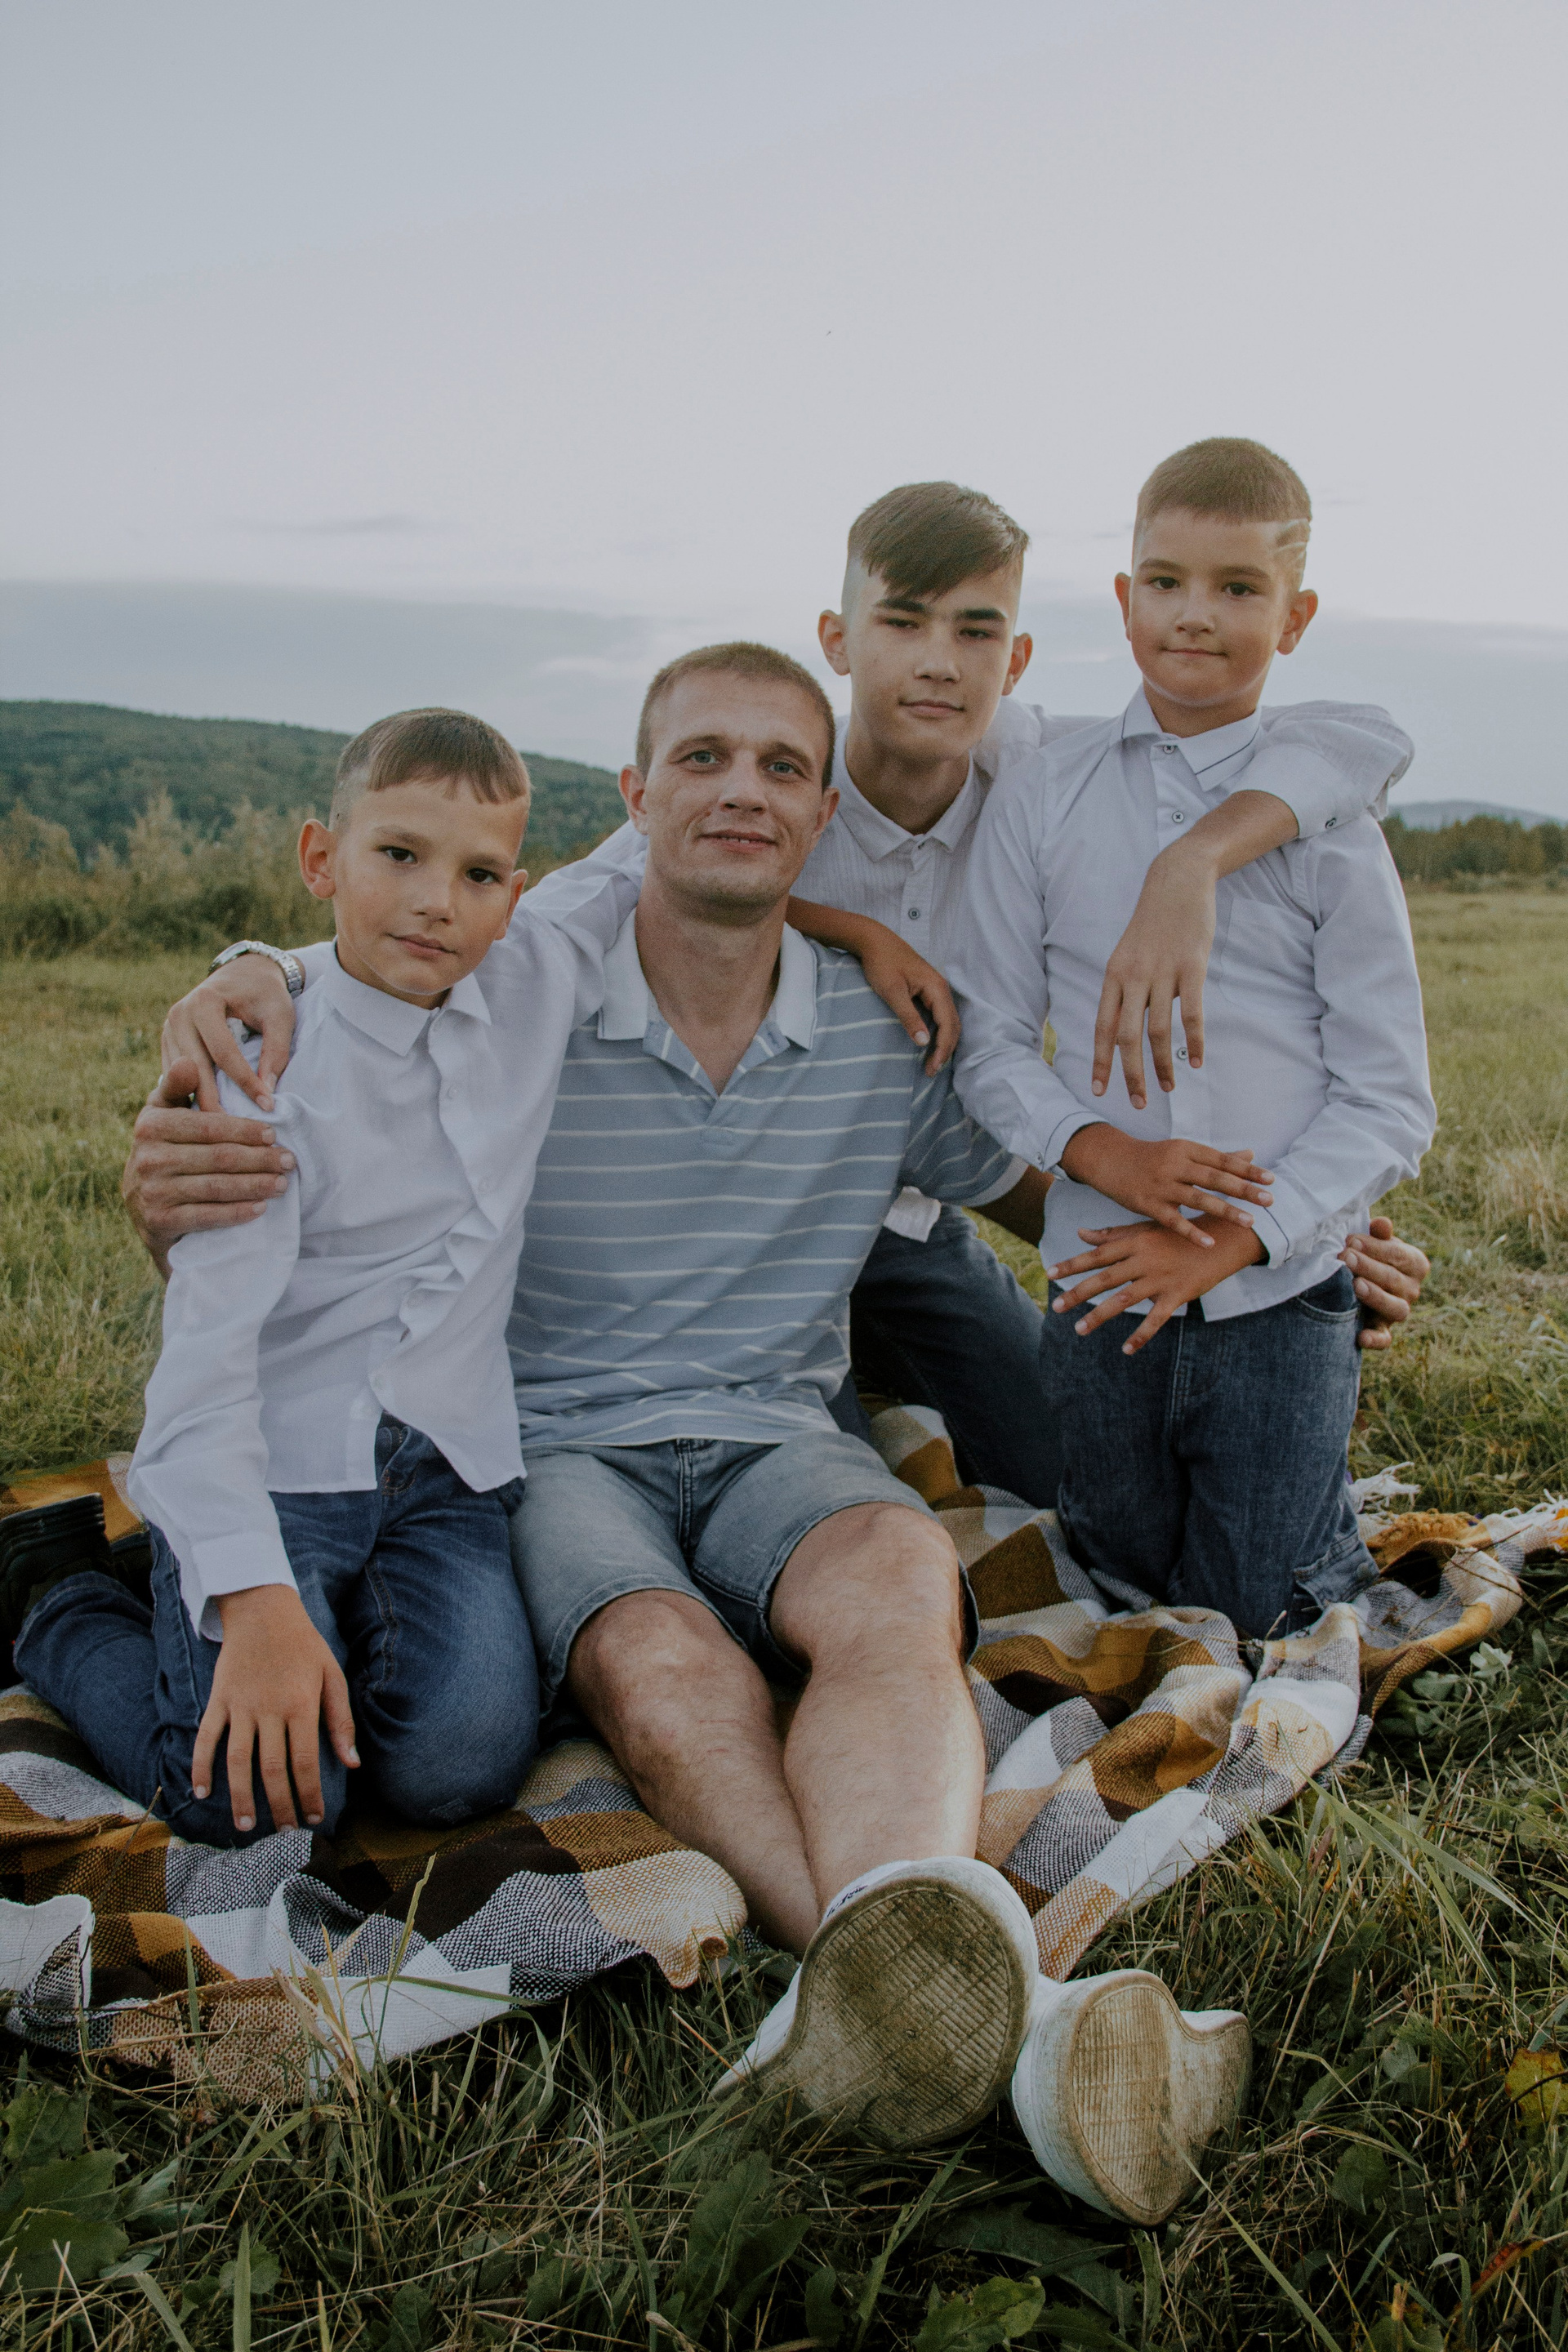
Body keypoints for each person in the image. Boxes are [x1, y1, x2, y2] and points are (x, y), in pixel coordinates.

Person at [124, 644, 1252, 2219]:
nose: (743, 791)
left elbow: (1036, 1193)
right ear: (635, 798)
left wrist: (1285, 1247)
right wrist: (244, 968)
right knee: (655, 1663)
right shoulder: (524, 995)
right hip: (557, 1447)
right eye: (703, 759)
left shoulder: (884, 1027)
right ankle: (964, 1988)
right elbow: (364, 973)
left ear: (823, 815)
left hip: (779, 1430)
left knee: (898, 1583)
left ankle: (893, 1978)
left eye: (784, 768)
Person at [510, 479, 1432, 1499]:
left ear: (1017, 657)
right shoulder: (762, 789)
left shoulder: (1043, 774)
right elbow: (573, 911)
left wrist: (1287, 1251)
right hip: (737, 1231)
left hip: (910, 1220)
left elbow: (1363, 743)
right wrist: (847, 925)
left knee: (1065, 1469)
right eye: (903, 622)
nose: (940, 661)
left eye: (976, 630)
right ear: (839, 639)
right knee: (788, 1477)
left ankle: (897, 1402)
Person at [16, 707, 636, 1845]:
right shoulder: (261, 1072)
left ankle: (254, 1616)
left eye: (478, 875)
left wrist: (871, 934)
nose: (437, 901)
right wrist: (254, 1599)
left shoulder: (535, 971)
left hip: (443, 1469)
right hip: (275, 1459)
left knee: (460, 1769)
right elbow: (202, 1370)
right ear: (322, 858)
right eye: (397, 854)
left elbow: (688, 820)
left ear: (515, 896)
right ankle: (60, 1605)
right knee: (254, 1803)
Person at [952, 438, 1437, 1646]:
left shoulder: (1331, 828)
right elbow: (992, 1042)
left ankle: (1310, 1548)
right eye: (1165, 582)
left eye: (1238, 588)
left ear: (1295, 616)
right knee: (1116, 1584)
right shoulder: (1046, 789)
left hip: (1281, 1290)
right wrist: (1105, 1153)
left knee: (1262, 1613)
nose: (1195, 615)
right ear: (1124, 599)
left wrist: (1236, 1239)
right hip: (1099, 1283)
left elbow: (1389, 1100)